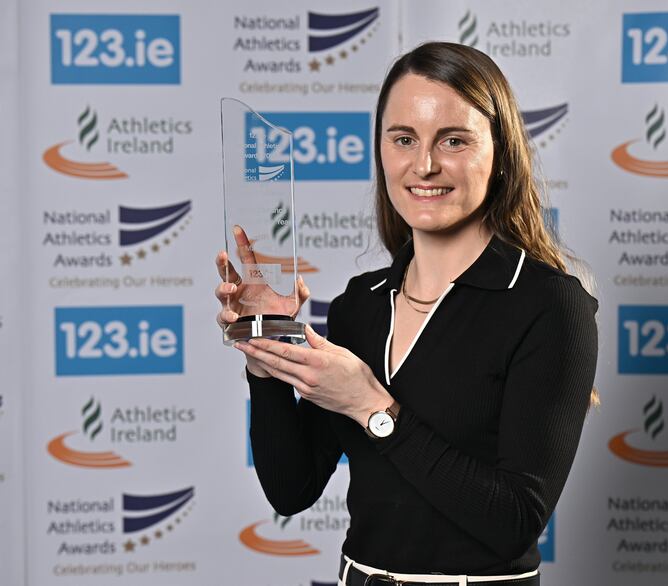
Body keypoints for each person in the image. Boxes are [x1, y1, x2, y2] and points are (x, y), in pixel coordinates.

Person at [215, 42, 598, 585]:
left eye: (454, 140)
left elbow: (515, 521)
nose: (425, 164)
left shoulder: (550, 306)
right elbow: (292, 489)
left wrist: (372, 406)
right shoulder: (358, 305)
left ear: (502, 153)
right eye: (403, 139)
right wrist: (265, 354)